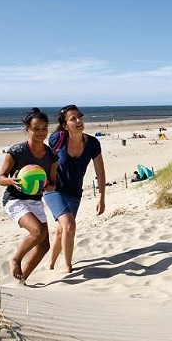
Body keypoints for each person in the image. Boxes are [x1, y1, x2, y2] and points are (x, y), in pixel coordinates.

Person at [0, 107, 58, 282]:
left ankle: (21, 281)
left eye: (44, 128)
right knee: (38, 232)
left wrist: (45, 186)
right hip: (14, 199)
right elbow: (0, 178)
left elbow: (53, 184)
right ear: (27, 130)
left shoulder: (51, 155)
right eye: (36, 129)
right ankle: (16, 258)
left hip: (35, 200)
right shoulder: (16, 151)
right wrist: (11, 181)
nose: (41, 132)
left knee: (44, 246)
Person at [44, 104, 106, 273]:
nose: (79, 120)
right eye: (73, 119)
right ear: (65, 125)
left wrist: (101, 197)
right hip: (54, 189)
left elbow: (100, 171)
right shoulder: (57, 139)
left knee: (61, 230)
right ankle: (68, 266)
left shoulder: (92, 143)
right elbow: (45, 158)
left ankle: (50, 264)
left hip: (75, 193)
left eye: (80, 116)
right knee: (69, 225)